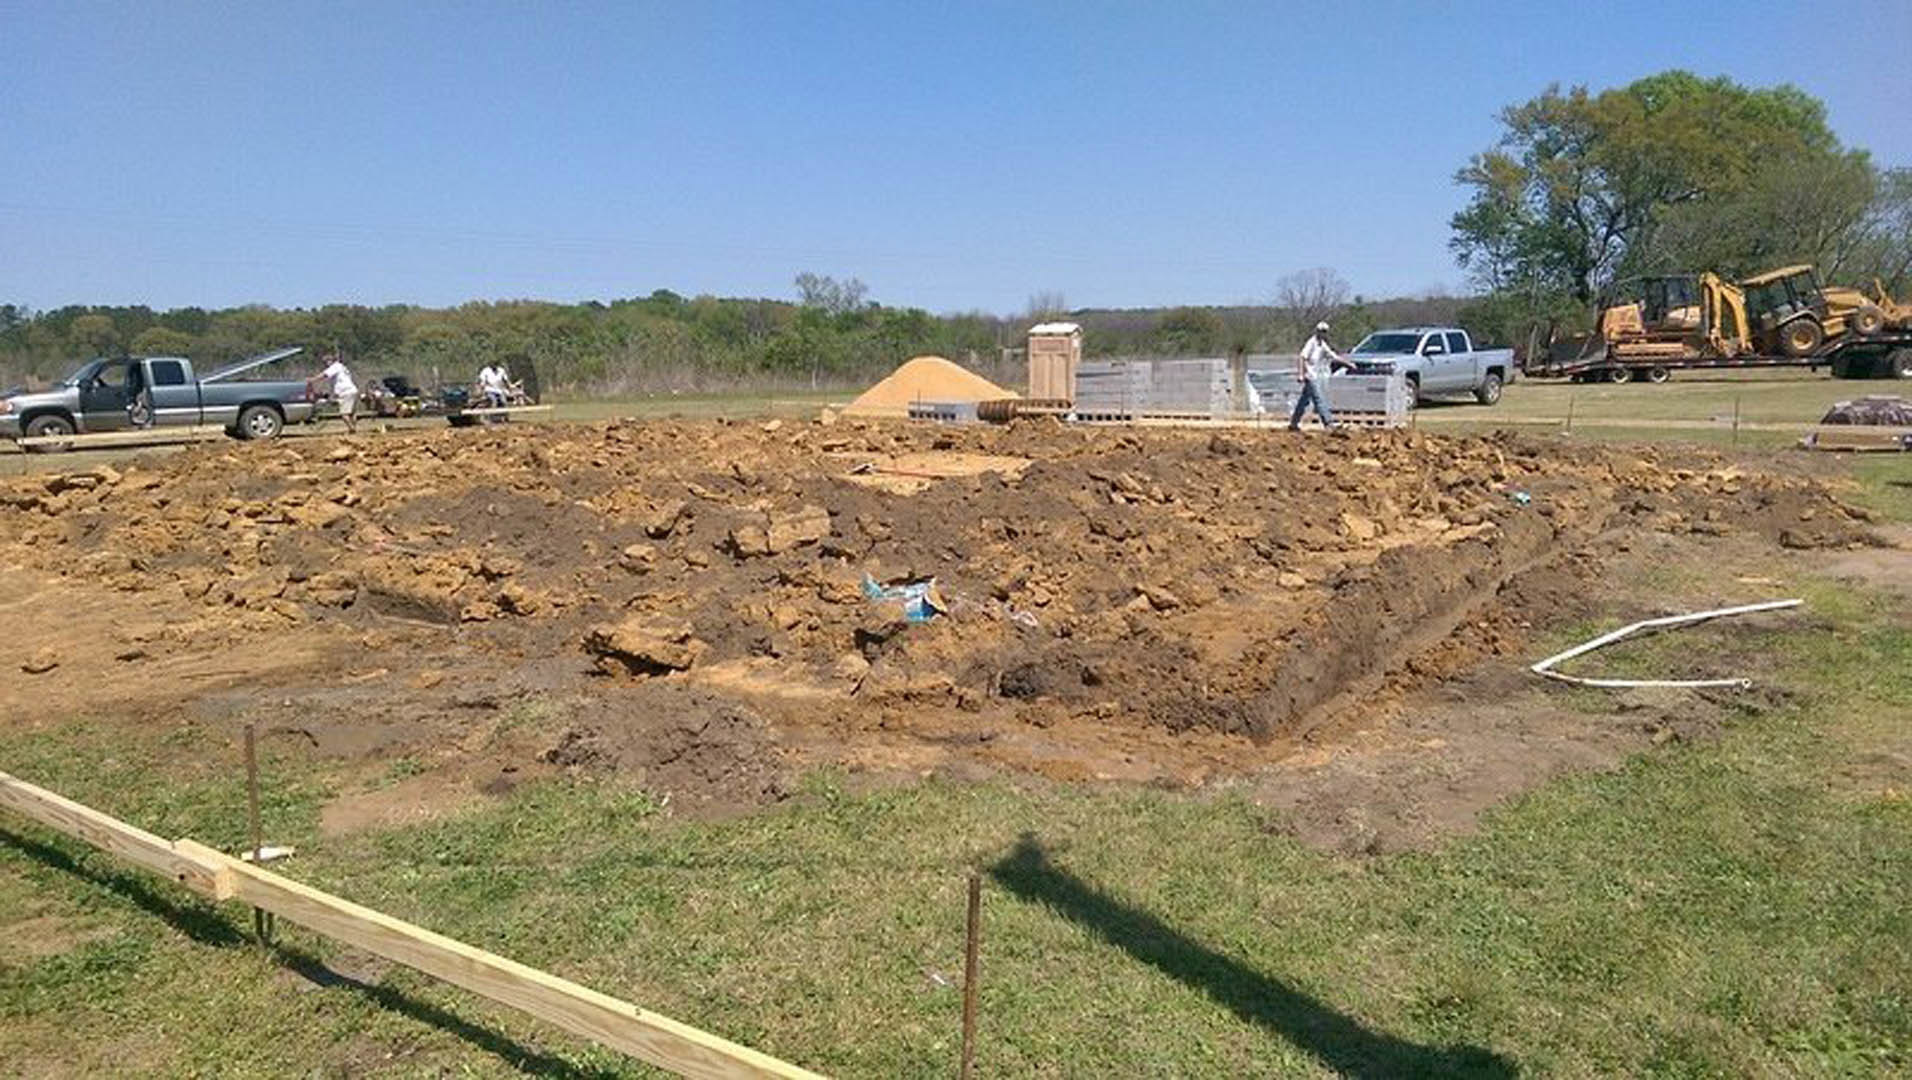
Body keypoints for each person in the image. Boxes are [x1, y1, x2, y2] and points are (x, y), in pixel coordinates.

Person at [1290, 321, 1341, 431]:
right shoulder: (1311, 343)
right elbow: (1302, 357)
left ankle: (1294, 422)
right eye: (1321, 331)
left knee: (1304, 401)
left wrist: (1348, 364)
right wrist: (1301, 374)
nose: (1322, 333)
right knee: (1319, 398)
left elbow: (1333, 356)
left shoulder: (1322, 344)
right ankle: (1328, 423)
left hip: (1315, 375)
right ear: (1317, 331)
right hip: (1310, 376)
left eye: (1324, 332)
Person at [314, 351, 359, 433]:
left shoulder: (335, 367)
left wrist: (313, 379)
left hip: (346, 392)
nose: (325, 364)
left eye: (326, 362)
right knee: (352, 413)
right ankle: (354, 428)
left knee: (344, 414)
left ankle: (352, 429)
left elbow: (325, 375)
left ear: (330, 361)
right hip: (353, 390)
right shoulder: (341, 367)